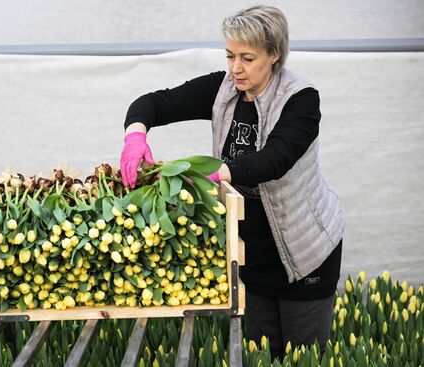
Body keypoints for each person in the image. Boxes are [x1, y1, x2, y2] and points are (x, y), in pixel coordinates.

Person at [119, 5, 344, 360]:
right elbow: (155, 103)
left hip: (303, 254)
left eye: (247, 58)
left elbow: (277, 158)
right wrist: (135, 135)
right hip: (250, 255)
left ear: (274, 55)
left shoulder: (301, 99)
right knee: (258, 354)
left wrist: (212, 174)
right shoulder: (223, 89)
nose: (235, 67)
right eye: (230, 55)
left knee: (304, 356)